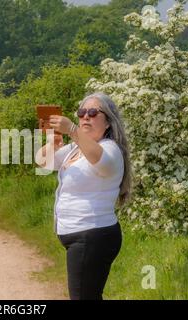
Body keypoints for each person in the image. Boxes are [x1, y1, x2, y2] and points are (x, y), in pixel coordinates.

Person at [35, 92, 133, 300]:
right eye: (81, 113)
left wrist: (72, 129)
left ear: (108, 122)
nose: (85, 117)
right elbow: (43, 162)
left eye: (93, 113)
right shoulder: (75, 149)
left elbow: (100, 160)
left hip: (93, 235)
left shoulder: (110, 149)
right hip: (81, 235)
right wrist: (52, 144)